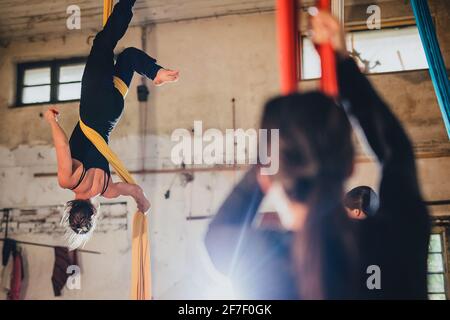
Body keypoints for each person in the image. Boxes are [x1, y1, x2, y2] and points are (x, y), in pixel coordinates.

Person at [205, 10, 430, 299]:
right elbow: (395, 152)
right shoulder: (398, 240)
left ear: (272, 175)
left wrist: (270, 158)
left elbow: (219, 235)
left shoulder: (261, 262)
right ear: (350, 165)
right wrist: (341, 63)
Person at [44, 0, 179, 249]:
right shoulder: (68, 180)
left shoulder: (108, 189)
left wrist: (144, 207)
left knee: (127, 57)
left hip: (113, 112)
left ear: (94, 213)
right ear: (70, 208)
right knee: (103, 44)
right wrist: (51, 120)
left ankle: (155, 73)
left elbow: (138, 193)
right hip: (94, 104)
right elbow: (62, 145)